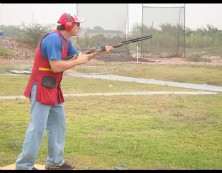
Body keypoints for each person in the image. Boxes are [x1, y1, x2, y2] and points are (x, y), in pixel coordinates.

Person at [15, 12, 114, 170]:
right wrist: (79, 60)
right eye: (77, 24)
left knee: (58, 125)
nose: (79, 27)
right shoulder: (53, 39)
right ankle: (24, 165)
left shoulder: (65, 41)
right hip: (41, 87)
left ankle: (55, 162)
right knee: (37, 128)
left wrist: (101, 52)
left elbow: (79, 57)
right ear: (68, 25)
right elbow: (55, 66)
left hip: (53, 87)